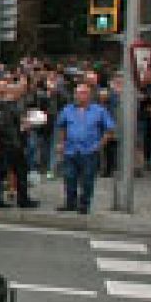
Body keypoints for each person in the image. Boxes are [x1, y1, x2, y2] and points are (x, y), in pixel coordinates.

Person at [54, 81, 115, 213]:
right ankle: (70, 202)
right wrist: (61, 143)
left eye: (82, 93)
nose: (78, 96)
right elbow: (62, 127)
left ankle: (84, 204)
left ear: (89, 95)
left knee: (87, 179)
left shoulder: (99, 110)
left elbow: (109, 129)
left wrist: (99, 145)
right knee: (69, 178)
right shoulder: (67, 109)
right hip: (71, 150)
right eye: (77, 93)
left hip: (89, 151)